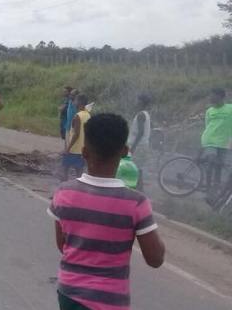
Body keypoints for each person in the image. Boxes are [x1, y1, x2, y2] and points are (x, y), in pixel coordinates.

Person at [48, 113, 165, 310]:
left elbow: (63, 246)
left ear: (84, 152)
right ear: (125, 151)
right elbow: (155, 259)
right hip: (109, 301)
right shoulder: (136, 203)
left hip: (68, 294)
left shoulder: (63, 193)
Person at [201, 88, 232, 206]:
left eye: (213, 95)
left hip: (224, 143)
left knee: (219, 167)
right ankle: (208, 189)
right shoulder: (209, 111)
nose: (211, 98)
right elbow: (207, 125)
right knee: (212, 160)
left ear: (221, 96)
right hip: (209, 140)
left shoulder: (230, 108)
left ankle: (214, 192)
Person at [62, 95, 91, 181]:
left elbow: (76, 134)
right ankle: (80, 190)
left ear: (80, 103)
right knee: (79, 172)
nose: (74, 102)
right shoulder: (88, 115)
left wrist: (68, 148)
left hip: (74, 149)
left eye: (75, 101)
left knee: (64, 169)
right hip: (82, 149)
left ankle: (63, 189)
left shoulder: (77, 116)